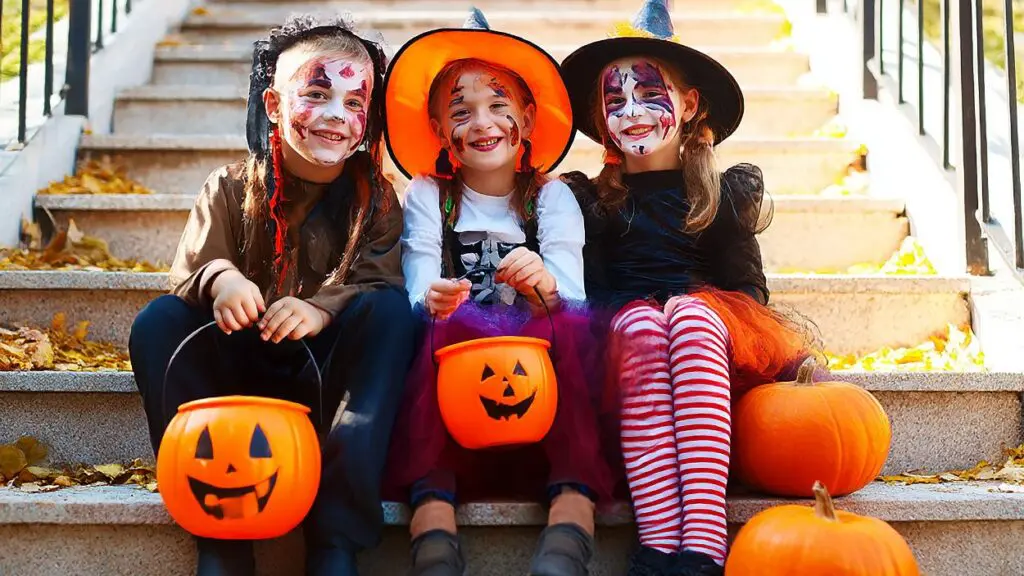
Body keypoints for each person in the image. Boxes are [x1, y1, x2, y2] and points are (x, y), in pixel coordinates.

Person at [128, 15, 415, 576]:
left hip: (325, 384)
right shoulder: (232, 186)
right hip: (239, 385)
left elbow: (381, 278)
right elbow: (189, 269)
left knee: (389, 313)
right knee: (157, 323)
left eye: (356, 102)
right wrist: (222, 278)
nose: (337, 115)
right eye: (316, 93)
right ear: (275, 104)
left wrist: (320, 307)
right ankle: (221, 533)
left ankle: (334, 536)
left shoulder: (377, 200)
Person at [559, 1, 818, 574]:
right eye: (614, 100)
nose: (631, 112)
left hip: (706, 351)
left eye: (648, 93)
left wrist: (692, 309)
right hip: (628, 350)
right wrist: (642, 313)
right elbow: (591, 290)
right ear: (602, 120)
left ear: (689, 103)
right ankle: (656, 545)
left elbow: (749, 293)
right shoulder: (592, 201)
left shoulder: (721, 195)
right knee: (643, 324)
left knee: (690, 318)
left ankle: (701, 544)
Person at [382, 9, 613, 576]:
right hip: (457, 370)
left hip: (537, 371)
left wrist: (544, 284)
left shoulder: (552, 198)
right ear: (440, 131)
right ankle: (432, 518)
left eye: (498, 107)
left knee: (568, 333)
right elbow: (416, 278)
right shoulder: (427, 195)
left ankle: (572, 510)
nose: (481, 123)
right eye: (461, 112)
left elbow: (574, 297)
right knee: (431, 333)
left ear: (528, 119)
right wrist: (432, 297)